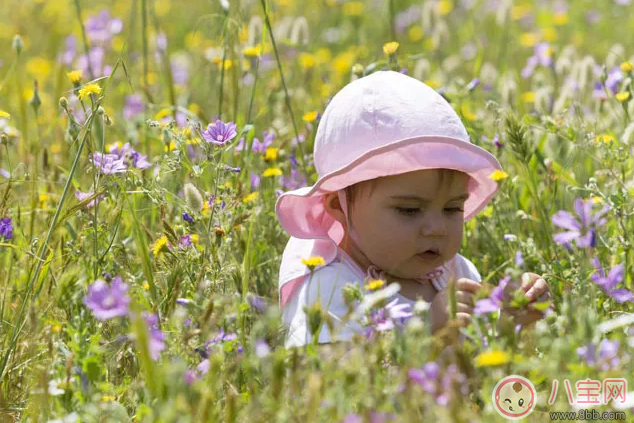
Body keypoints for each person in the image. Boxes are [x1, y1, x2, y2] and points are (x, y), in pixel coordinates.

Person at [275, 70, 551, 349]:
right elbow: (332, 384)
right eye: (409, 210)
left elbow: (486, 361)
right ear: (338, 206)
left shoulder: (453, 271)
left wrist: (515, 322)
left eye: (453, 208)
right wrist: (428, 339)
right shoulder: (330, 289)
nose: (437, 228)